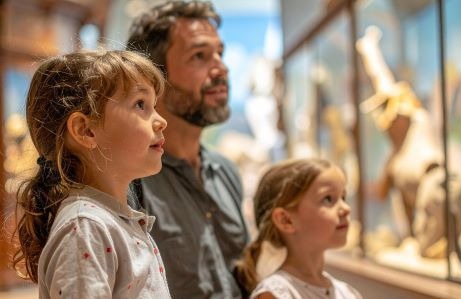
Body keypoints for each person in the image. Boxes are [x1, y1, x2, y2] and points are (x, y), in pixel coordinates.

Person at [12, 50, 171, 298]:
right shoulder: (86, 227)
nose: (161, 120)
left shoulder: (108, 221)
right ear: (85, 130)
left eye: (154, 106)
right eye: (141, 104)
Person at [126, 1, 249, 298]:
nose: (221, 67)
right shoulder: (129, 180)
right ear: (154, 76)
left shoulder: (225, 172)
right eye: (200, 56)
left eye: (220, 53)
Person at [236, 159, 363, 299]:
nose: (346, 208)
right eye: (328, 199)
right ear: (286, 220)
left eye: (343, 197)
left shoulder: (347, 293)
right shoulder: (276, 294)